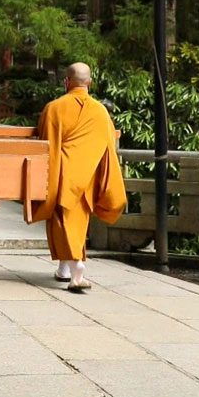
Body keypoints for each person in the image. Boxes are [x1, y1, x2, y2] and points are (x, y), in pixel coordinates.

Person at [31, 62, 127, 293]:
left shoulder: (54, 108)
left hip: (63, 173)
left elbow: (46, 144)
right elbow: (108, 147)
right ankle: (65, 269)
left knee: (63, 221)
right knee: (76, 223)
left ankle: (77, 270)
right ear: (89, 83)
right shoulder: (100, 111)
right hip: (88, 175)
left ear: (66, 82)